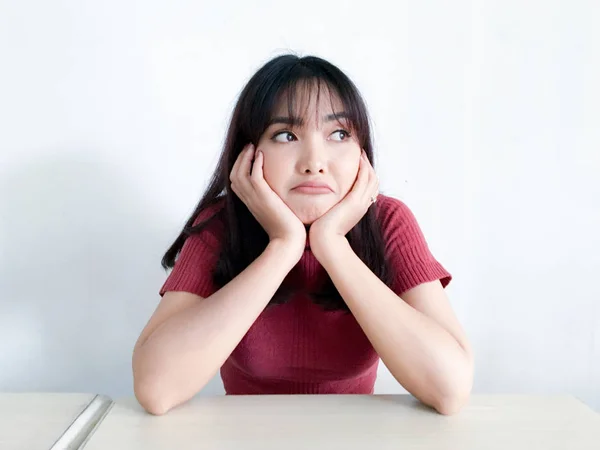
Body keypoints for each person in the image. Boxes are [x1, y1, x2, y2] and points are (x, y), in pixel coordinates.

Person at [132, 54, 474, 416]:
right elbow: (156, 388)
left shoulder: (387, 222)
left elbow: (449, 389)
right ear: (248, 154)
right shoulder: (222, 225)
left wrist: (332, 245)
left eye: (339, 133)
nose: (315, 161)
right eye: (286, 135)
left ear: (362, 152)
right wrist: (284, 246)